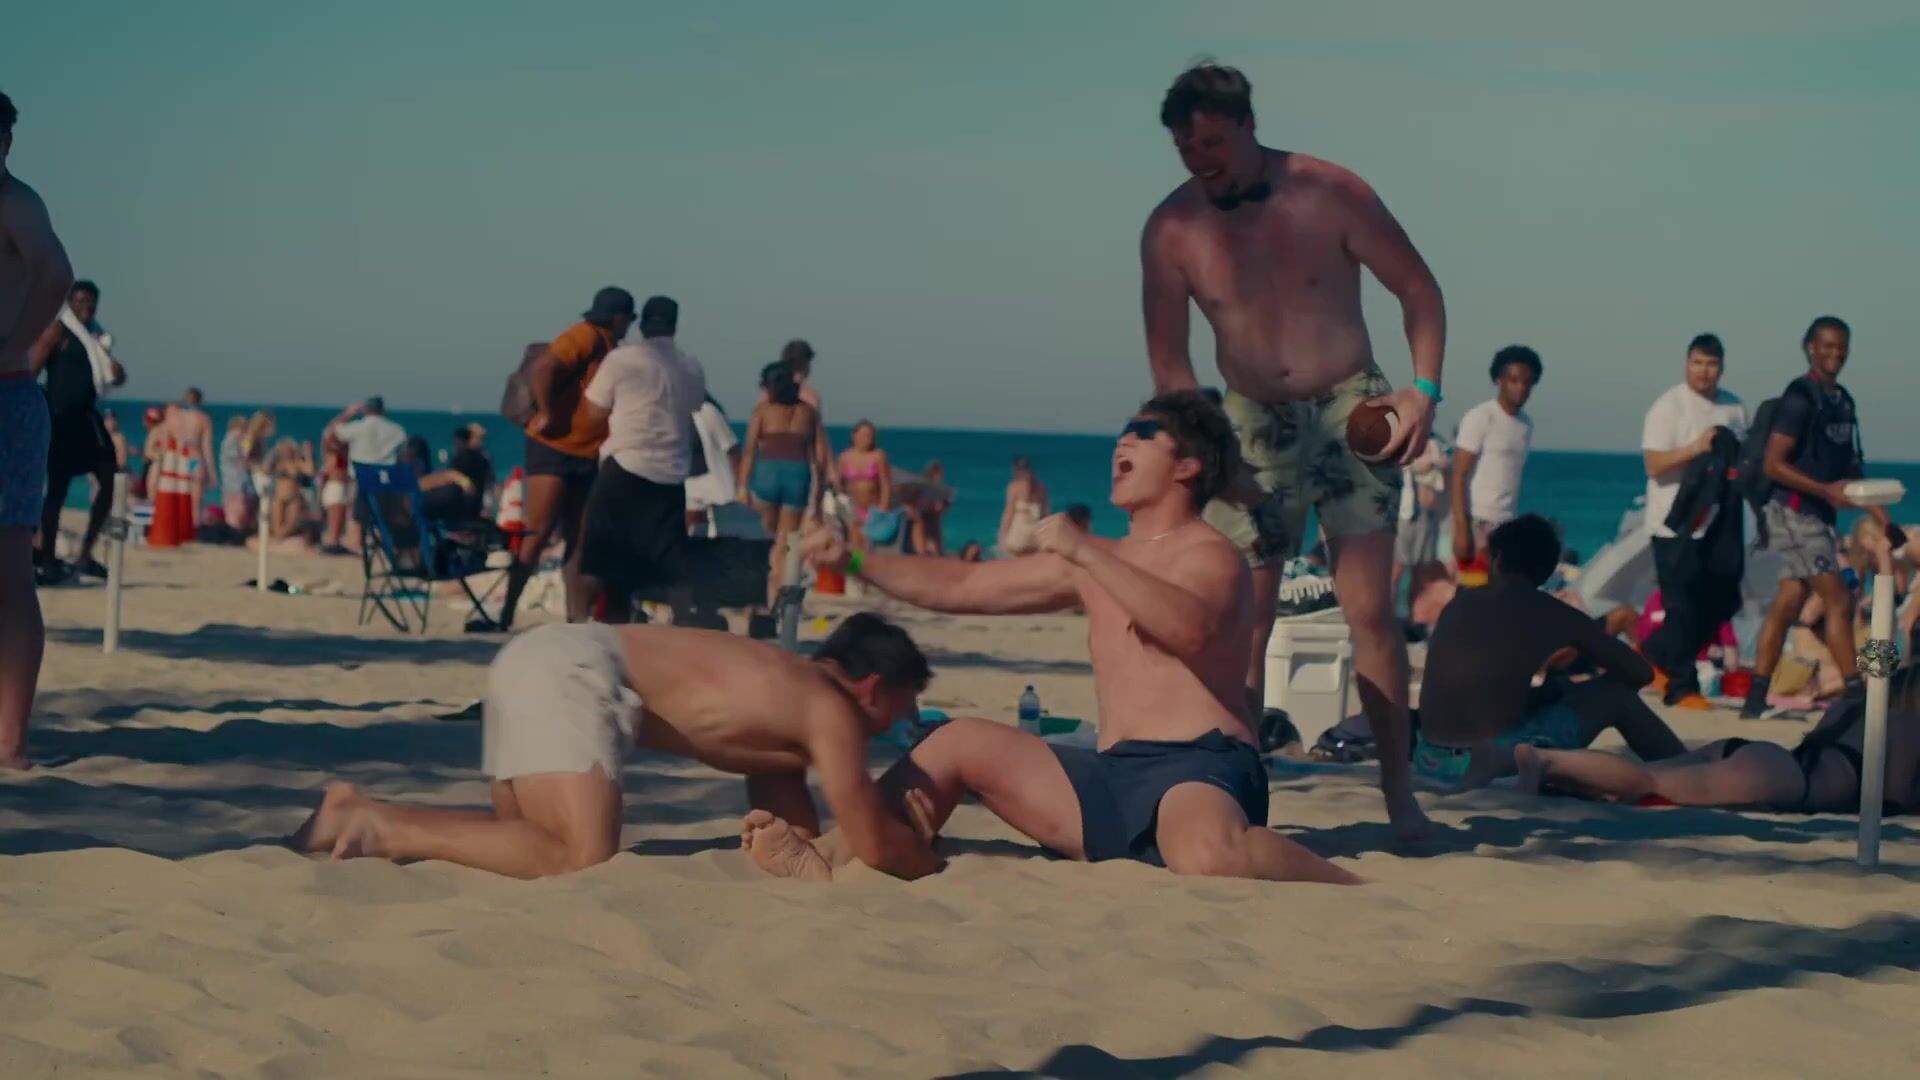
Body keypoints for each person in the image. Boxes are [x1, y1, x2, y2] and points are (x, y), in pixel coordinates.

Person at [744, 392, 1360, 886]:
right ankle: (829, 852)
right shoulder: (1098, 561)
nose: (1123, 442)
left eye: (1144, 434)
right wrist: (856, 561)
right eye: (1123, 432)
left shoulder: (1210, 555)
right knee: (957, 740)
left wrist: (1085, 554)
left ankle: (1346, 882)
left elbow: (1189, 631)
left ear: (1188, 465)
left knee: (1202, 855)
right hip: (1109, 776)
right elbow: (963, 585)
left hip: (1200, 769)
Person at [1139, 63, 1446, 839]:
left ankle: (1400, 797)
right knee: (1245, 619)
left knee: (1368, 610)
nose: (1200, 160)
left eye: (1212, 143)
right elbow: (1171, 365)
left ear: (1248, 124)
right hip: (1248, 423)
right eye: (1185, 148)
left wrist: (1422, 392)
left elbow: (1418, 290)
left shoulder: (1330, 192)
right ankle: (1241, 794)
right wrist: (1212, 456)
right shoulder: (1172, 230)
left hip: (1351, 408)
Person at [291, 614, 941, 881]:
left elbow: (792, 829)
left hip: (543, 654)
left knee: (521, 842)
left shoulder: (784, 687)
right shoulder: (830, 708)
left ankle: (358, 824)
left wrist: (797, 848)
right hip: (574, 672)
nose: (904, 721)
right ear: (873, 687)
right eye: (906, 703)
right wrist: (922, 852)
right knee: (577, 857)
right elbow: (878, 845)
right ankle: (372, 822)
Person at [1410, 514, 1687, 789]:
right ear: (1548, 568)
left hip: (1430, 758)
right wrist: (1581, 665)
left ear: (1499, 558)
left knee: (1552, 691)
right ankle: (1684, 770)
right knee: (1617, 696)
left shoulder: (1461, 602)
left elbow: (1480, 694)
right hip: (1489, 763)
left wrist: (1550, 691)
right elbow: (1640, 673)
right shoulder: (1554, 612)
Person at [1518, 665, 1920, 817]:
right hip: (1784, 780)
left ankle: (1548, 771)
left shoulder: (1849, 708)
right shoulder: (1906, 724)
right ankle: (1546, 761)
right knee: (1649, 782)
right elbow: (1893, 798)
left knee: (1641, 779)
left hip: (1766, 757)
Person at [1741, 316, 1888, 718]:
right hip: (1795, 515)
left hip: (1819, 518)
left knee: (1789, 602)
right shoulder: (1799, 397)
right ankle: (1856, 695)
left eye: (1842, 346)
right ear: (1810, 347)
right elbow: (1773, 463)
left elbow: (1851, 469)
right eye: (1827, 345)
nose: (1835, 353)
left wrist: (1883, 519)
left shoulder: (1842, 401)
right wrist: (1826, 492)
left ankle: (1755, 699)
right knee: (1839, 600)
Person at [480, 288, 633, 632]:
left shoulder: (608, 345)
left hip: (586, 452)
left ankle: (575, 620)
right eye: (629, 320)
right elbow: (546, 365)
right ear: (619, 318)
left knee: (578, 539)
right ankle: (507, 614)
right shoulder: (585, 336)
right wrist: (547, 411)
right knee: (538, 532)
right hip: (555, 448)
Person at [2, 89, 75, 769]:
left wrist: (13, 342)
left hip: (7, 392)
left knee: (10, 569)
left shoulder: (14, 202)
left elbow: (57, 273)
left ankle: (10, 744)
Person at [576, 295, 707, 623]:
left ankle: (578, 625)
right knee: (671, 563)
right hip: (671, 476)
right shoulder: (691, 367)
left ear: (643, 324)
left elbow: (593, 413)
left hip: (625, 467)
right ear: (675, 327)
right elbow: (694, 407)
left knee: (597, 557)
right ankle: (682, 628)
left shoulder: (622, 360)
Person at [1639, 333, 1748, 707]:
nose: (1704, 371)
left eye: (1711, 364)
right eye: (1697, 363)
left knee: (1722, 600)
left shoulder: (1734, 407)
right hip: (1672, 522)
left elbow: (1741, 461)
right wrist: (1696, 448)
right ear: (1687, 364)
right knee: (1680, 604)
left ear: (1722, 367)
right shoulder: (1668, 407)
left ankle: (1655, 651)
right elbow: (1653, 464)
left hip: (1717, 523)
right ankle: (1682, 686)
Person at [32, 280, 123, 579]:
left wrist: (115, 366)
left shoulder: (98, 337)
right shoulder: (57, 330)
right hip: (61, 418)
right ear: (69, 302)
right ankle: (48, 559)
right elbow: (31, 370)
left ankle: (85, 554)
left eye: (90, 301)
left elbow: (116, 377)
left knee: (111, 480)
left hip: (87, 418)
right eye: (80, 300)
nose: (86, 306)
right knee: (57, 489)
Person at [741, 360, 829, 608]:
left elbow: (749, 451)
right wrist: (818, 500)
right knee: (787, 542)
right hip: (798, 475)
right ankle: (782, 588)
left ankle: (764, 592)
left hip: (768, 473)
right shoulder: (808, 413)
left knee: (765, 537)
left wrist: (742, 486)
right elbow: (820, 458)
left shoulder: (762, 411)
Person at [1450, 346, 1541, 569]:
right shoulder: (1481, 417)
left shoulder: (1526, 424)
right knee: (1472, 584)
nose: (1521, 387)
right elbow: (1459, 474)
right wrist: (1462, 528)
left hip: (1506, 523)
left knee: (1498, 586)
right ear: (1498, 380)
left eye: (1527, 382)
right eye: (1514, 380)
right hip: (1476, 521)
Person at [1391, 433, 1447, 604]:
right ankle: (1387, 614)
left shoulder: (1435, 442)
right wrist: (1433, 462)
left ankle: (1415, 615)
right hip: (1408, 515)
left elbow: (1445, 465)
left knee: (1421, 573)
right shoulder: (1405, 440)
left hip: (1429, 516)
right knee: (1397, 569)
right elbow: (1411, 464)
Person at [684, 394, 741, 533]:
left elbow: (732, 449)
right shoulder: (672, 415)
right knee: (692, 532)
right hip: (690, 485)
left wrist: (741, 483)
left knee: (719, 532)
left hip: (716, 485)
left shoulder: (708, 411)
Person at [419, 423, 495, 523]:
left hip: (465, 508)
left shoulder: (472, 457)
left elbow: (456, 477)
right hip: (469, 506)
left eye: (480, 438)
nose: (479, 441)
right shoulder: (476, 457)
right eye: (477, 437)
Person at [837, 420, 894, 544]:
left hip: (873, 508)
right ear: (854, 436)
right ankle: (856, 558)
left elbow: (886, 483)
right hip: (853, 507)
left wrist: (884, 506)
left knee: (867, 541)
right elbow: (839, 484)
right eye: (864, 435)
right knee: (855, 540)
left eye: (870, 436)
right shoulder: (844, 457)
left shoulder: (878, 455)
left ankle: (862, 557)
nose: (867, 439)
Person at [998, 455, 1047, 556]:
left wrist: (1002, 535)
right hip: (1035, 537)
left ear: (1016, 470)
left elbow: (1008, 513)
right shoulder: (1041, 487)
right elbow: (1045, 513)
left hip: (1018, 536)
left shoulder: (1014, 487)